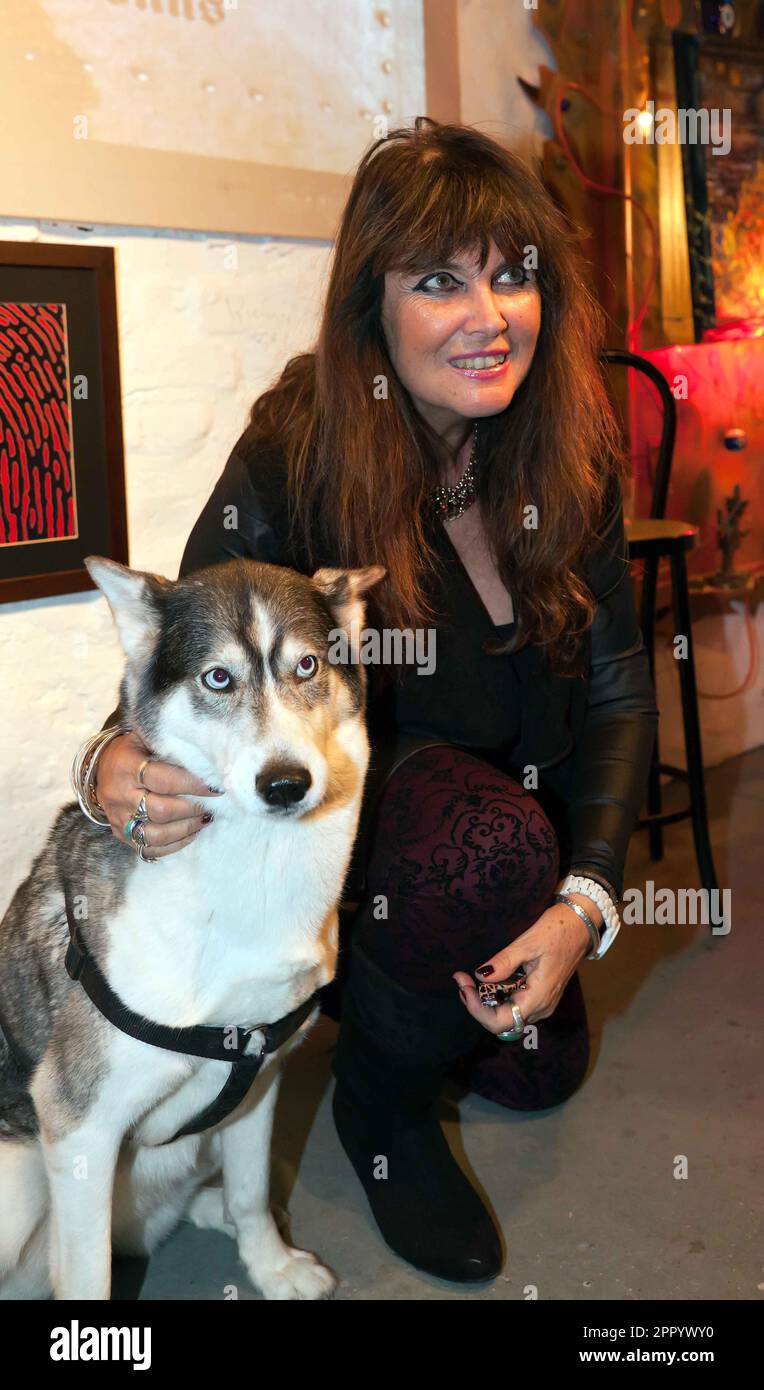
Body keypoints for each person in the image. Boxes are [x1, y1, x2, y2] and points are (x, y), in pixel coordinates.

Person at [74, 119, 658, 1285]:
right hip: (372, 838)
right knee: (481, 844)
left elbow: (616, 691)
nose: (488, 315)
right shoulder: (297, 443)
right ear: (371, 308)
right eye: (439, 280)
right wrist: (107, 766)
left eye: (511, 275)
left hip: (510, 836)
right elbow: (187, 653)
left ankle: (434, 989)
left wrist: (581, 907)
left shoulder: (567, 449)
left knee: (539, 1067)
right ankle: (377, 1104)